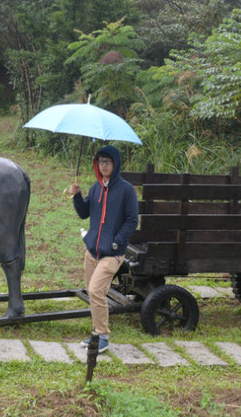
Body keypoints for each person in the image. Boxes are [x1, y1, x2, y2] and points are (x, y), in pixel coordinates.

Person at [68, 144, 138, 353]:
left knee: (97, 290)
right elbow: (83, 213)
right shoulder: (97, 187)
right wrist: (77, 196)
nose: (104, 165)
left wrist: (116, 242)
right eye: (101, 162)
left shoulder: (126, 190)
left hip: (112, 253)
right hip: (92, 251)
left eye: (107, 162)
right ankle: (97, 334)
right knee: (92, 292)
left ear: (115, 164)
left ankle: (103, 337)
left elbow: (132, 220)